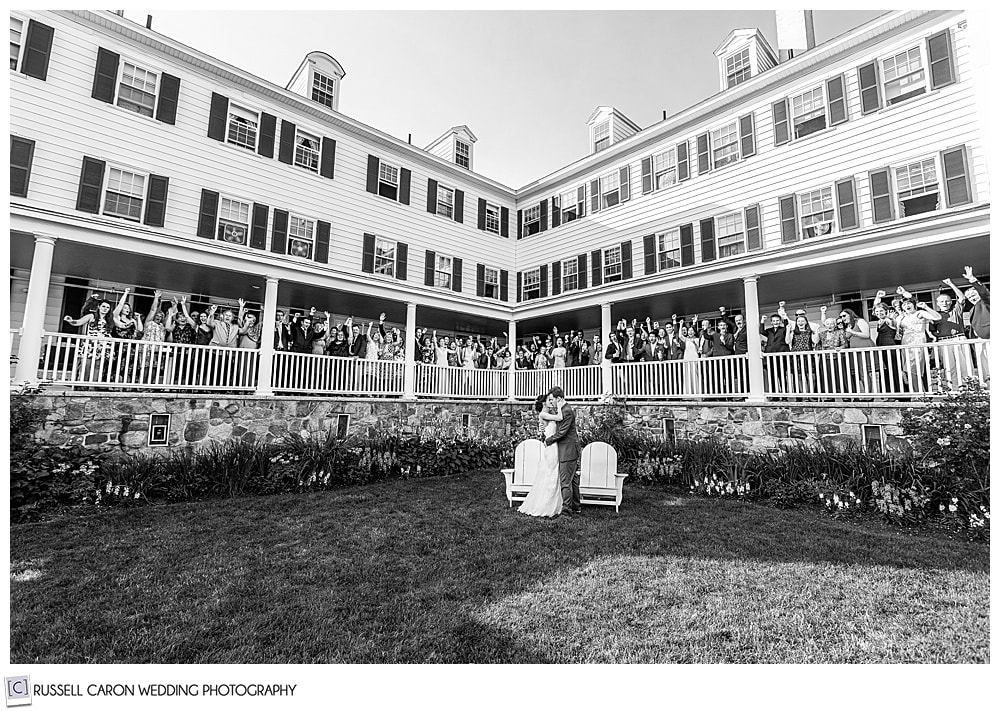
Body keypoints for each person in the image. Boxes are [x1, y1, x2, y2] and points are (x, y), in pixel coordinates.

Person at [517, 393, 565, 518]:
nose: (552, 402)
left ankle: (554, 503)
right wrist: (560, 405)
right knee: (551, 475)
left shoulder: (547, 415)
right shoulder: (543, 414)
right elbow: (559, 418)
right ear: (544, 403)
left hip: (553, 447)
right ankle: (546, 504)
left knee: (553, 475)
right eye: (549, 400)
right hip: (551, 448)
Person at [894, 288, 941, 392]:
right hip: (906, 342)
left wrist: (926, 307)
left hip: (918, 341)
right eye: (904, 304)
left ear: (914, 304)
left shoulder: (919, 313)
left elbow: (937, 317)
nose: (907, 306)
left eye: (909, 303)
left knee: (915, 369)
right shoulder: (902, 317)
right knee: (908, 370)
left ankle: (921, 393)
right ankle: (917, 392)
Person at [543, 386, 581, 515]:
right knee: (573, 480)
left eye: (553, 399)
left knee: (565, 482)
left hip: (568, 450)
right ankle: (576, 506)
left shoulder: (566, 411)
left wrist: (548, 441)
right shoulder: (563, 409)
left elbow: (562, 432)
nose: (551, 402)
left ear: (559, 398)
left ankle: (566, 510)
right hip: (569, 449)